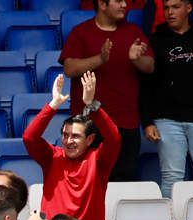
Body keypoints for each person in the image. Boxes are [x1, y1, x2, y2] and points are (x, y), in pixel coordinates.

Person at [140, 0, 193, 198]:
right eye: (167, 8)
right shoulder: (155, 40)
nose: (170, 12)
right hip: (166, 119)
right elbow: (146, 85)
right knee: (171, 178)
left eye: (176, 7)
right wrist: (147, 122)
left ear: (188, 8)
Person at [23, 72, 121, 220]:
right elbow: (30, 138)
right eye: (65, 135)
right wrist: (53, 105)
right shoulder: (52, 157)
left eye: (75, 136)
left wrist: (92, 105)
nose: (68, 141)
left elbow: (113, 138)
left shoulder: (98, 160)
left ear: (90, 140)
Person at [61, 0, 154, 182]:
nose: (124, 5)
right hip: (87, 124)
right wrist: (100, 59)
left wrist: (136, 59)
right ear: (102, 4)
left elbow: (150, 66)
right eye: (118, 1)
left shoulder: (133, 32)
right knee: (86, 181)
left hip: (125, 123)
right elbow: (69, 68)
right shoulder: (81, 32)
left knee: (124, 182)